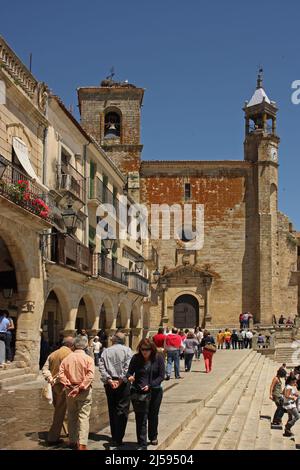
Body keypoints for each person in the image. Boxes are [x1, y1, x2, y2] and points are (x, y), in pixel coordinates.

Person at [127, 338, 165, 450]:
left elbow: (161, 376)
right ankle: (142, 442)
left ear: (152, 349)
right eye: (143, 349)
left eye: (147, 349)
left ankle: (153, 436)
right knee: (140, 416)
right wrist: (130, 377)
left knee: (153, 415)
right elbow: (129, 372)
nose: (145, 351)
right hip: (139, 392)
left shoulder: (158, 358)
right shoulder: (136, 358)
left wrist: (151, 385)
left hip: (155, 391)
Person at [59, 335, 95, 450]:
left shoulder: (67, 358)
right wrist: (81, 387)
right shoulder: (89, 359)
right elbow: (90, 375)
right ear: (85, 346)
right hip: (84, 390)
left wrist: (68, 384)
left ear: (74, 345)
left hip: (70, 390)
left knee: (71, 415)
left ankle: (72, 441)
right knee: (84, 417)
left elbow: (61, 374)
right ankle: (82, 444)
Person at [99, 332, 133, 449]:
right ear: (123, 340)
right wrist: (121, 380)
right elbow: (128, 367)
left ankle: (114, 436)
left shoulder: (106, 351)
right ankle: (119, 438)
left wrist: (109, 380)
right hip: (122, 383)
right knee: (122, 409)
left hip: (110, 384)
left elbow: (101, 367)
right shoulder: (128, 350)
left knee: (112, 408)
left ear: (114, 340)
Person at [42, 336, 74, 444]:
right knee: (60, 411)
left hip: (54, 386)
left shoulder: (53, 354)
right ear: (71, 345)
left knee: (60, 409)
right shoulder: (70, 354)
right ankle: (53, 437)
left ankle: (68, 431)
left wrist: (50, 378)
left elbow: (45, 368)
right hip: (64, 386)